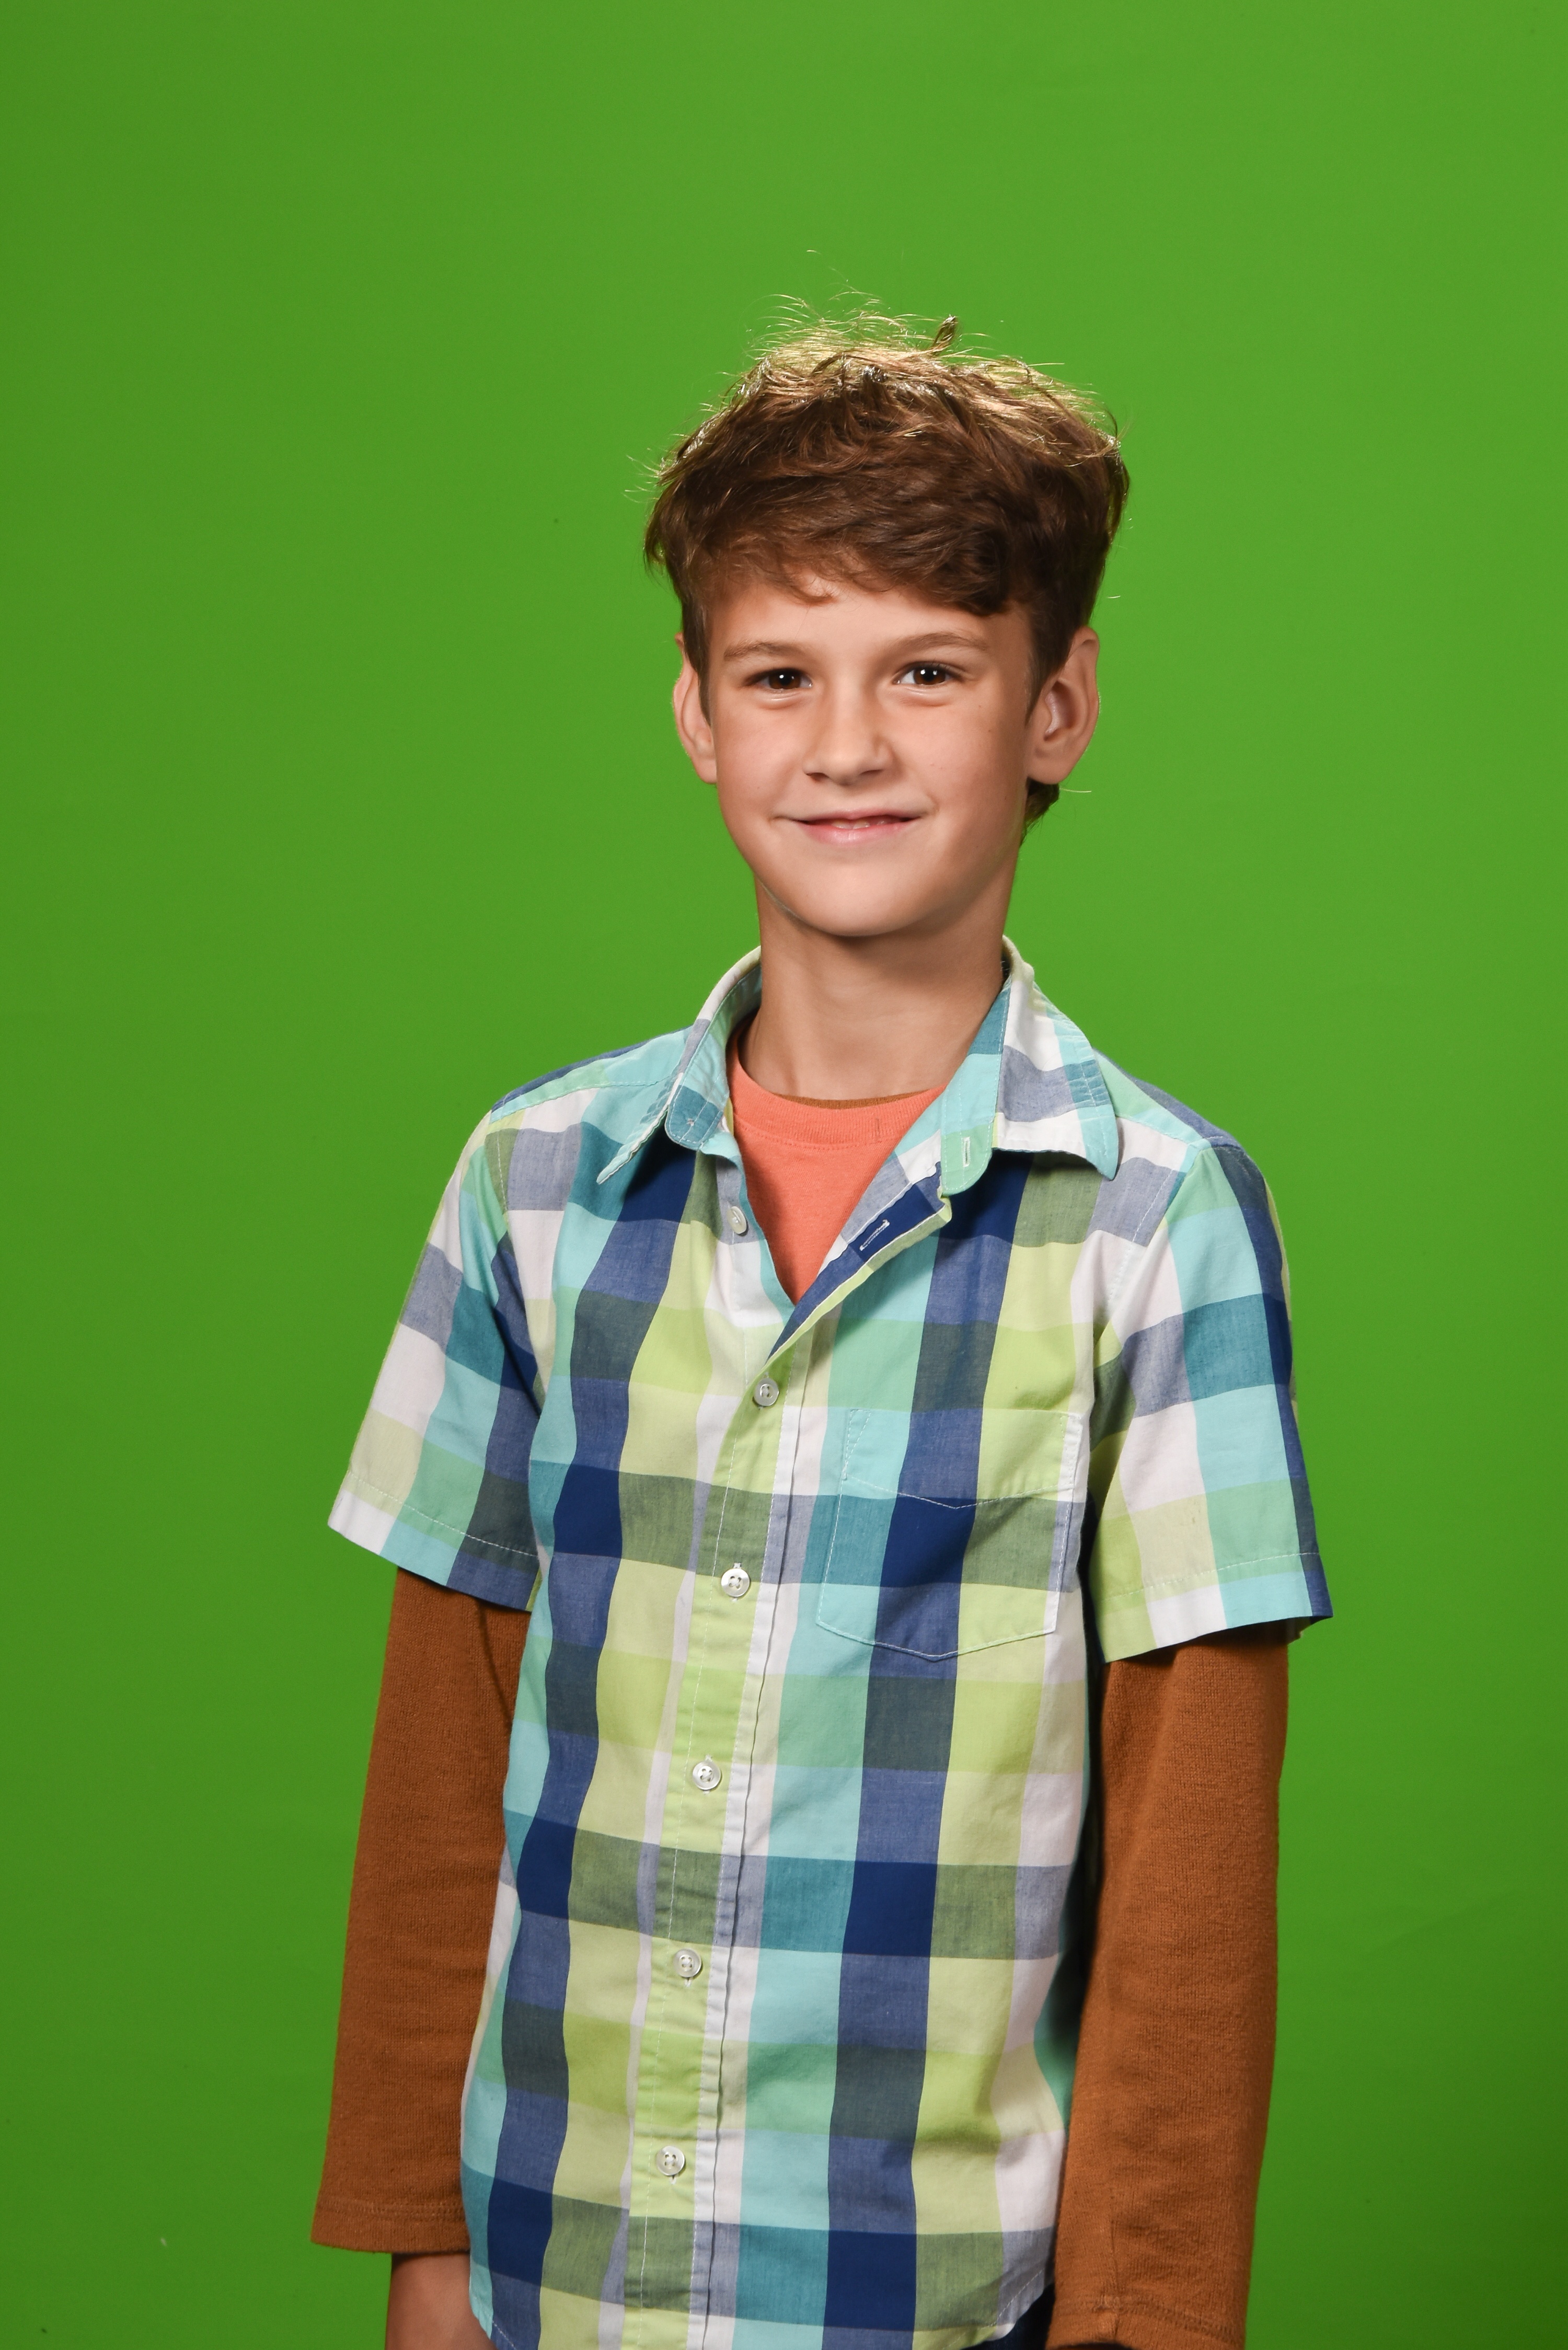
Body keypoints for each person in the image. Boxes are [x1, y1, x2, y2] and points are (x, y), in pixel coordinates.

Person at [312, 318, 1330, 2350]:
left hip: (930, 2299)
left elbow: (1192, 1874)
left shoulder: (1156, 1220)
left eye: (926, 671)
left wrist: (1147, 2320)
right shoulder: (531, 1181)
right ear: (698, 714)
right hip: (548, 2275)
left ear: (1057, 706)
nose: (846, 744)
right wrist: (423, 2240)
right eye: (783, 674)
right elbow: (444, 1752)